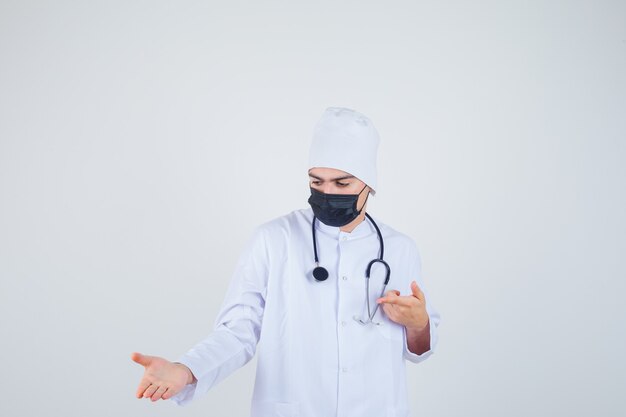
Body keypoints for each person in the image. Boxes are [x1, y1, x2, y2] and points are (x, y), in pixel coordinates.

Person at [131, 107, 441, 417]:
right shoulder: (274, 239)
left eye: (342, 184)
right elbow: (238, 331)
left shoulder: (399, 249)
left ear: (369, 184)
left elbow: (420, 349)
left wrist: (418, 324)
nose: (327, 192)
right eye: (316, 182)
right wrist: (186, 370)